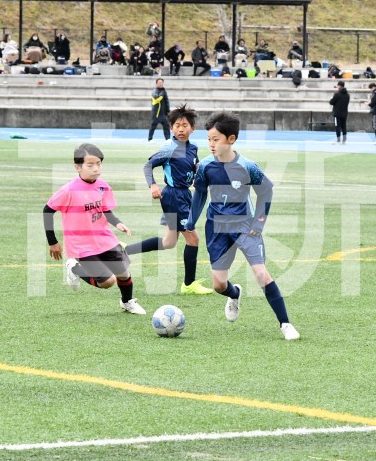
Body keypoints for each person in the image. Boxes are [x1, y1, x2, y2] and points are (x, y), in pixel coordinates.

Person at [185, 111, 300, 341]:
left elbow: (266, 191)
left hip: (245, 227)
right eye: (208, 139)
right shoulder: (205, 166)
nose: (211, 144)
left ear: (231, 139)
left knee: (261, 274)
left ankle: (285, 324)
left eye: (216, 139)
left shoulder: (247, 166)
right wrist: (191, 220)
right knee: (219, 285)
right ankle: (235, 293)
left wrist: (259, 221)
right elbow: (200, 194)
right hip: (216, 228)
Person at [43, 143, 146, 315]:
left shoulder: (103, 186)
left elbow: (105, 210)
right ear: (77, 167)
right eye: (90, 165)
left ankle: (127, 302)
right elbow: (47, 211)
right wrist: (52, 242)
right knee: (107, 282)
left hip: (105, 239)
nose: (96, 168)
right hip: (81, 244)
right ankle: (74, 268)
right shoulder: (68, 190)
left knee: (123, 273)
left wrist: (117, 223)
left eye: (98, 164)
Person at [125, 104, 213, 295]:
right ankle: (189, 284)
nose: (181, 129)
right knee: (193, 238)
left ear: (192, 128)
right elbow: (148, 166)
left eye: (185, 125)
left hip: (185, 195)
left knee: (169, 242)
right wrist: (153, 185)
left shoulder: (193, 148)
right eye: (177, 125)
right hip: (173, 196)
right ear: (171, 128)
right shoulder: (170, 148)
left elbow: (194, 167)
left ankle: (125, 251)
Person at [149, 78, 171, 142]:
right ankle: (150, 139)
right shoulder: (154, 91)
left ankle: (168, 139)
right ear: (156, 83)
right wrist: (161, 95)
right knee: (153, 126)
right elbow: (156, 99)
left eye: (161, 82)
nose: (160, 84)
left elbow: (166, 102)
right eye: (159, 82)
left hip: (163, 113)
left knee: (166, 126)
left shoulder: (164, 91)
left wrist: (168, 111)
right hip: (156, 113)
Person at [330, 80, 350, 144]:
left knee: (337, 126)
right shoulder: (347, 95)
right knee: (344, 126)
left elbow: (331, 102)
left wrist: (332, 98)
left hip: (337, 113)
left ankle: (338, 140)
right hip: (344, 112)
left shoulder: (337, 94)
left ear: (339, 86)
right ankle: (344, 139)